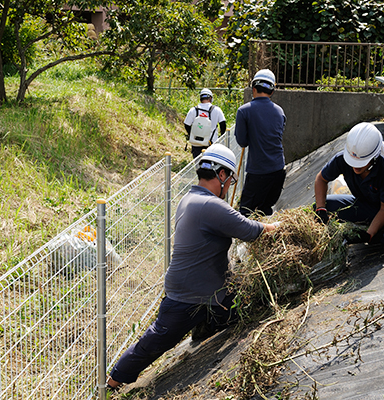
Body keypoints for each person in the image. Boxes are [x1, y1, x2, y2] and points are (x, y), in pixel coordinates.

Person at [106, 143, 278, 391]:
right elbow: (253, 231)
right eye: (229, 180)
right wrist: (281, 225)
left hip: (214, 289)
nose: (229, 186)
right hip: (188, 294)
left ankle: (207, 323)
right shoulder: (210, 206)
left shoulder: (190, 197)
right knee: (156, 340)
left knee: (245, 308)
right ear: (221, 175)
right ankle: (112, 382)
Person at [313, 122, 384, 246]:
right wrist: (321, 209)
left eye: (361, 163)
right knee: (320, 206)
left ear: (375, 157)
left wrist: (368, 235)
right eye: (353, 162)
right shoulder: (342, 159)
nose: (355, 166)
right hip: (368, 205)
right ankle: (378, 227)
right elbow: (321, 179)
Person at [234, 68, 286, 217]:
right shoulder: (280, 111)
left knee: (246, 212)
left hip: (258, 171)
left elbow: (242, 142)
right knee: (265, 210)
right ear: (272, 91)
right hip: (279, 169)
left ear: (253, 88)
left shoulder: (244, 111)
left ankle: (247, 240)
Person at [184, 88, 227, 159]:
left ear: (200, 98)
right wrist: (221, 136)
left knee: (198, 163)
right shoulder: (217, 110)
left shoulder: (193, 110)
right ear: (210, 98)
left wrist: (191, 134)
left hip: (196, 143)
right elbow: (223, 124)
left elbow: (186, 124)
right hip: (212, 143)